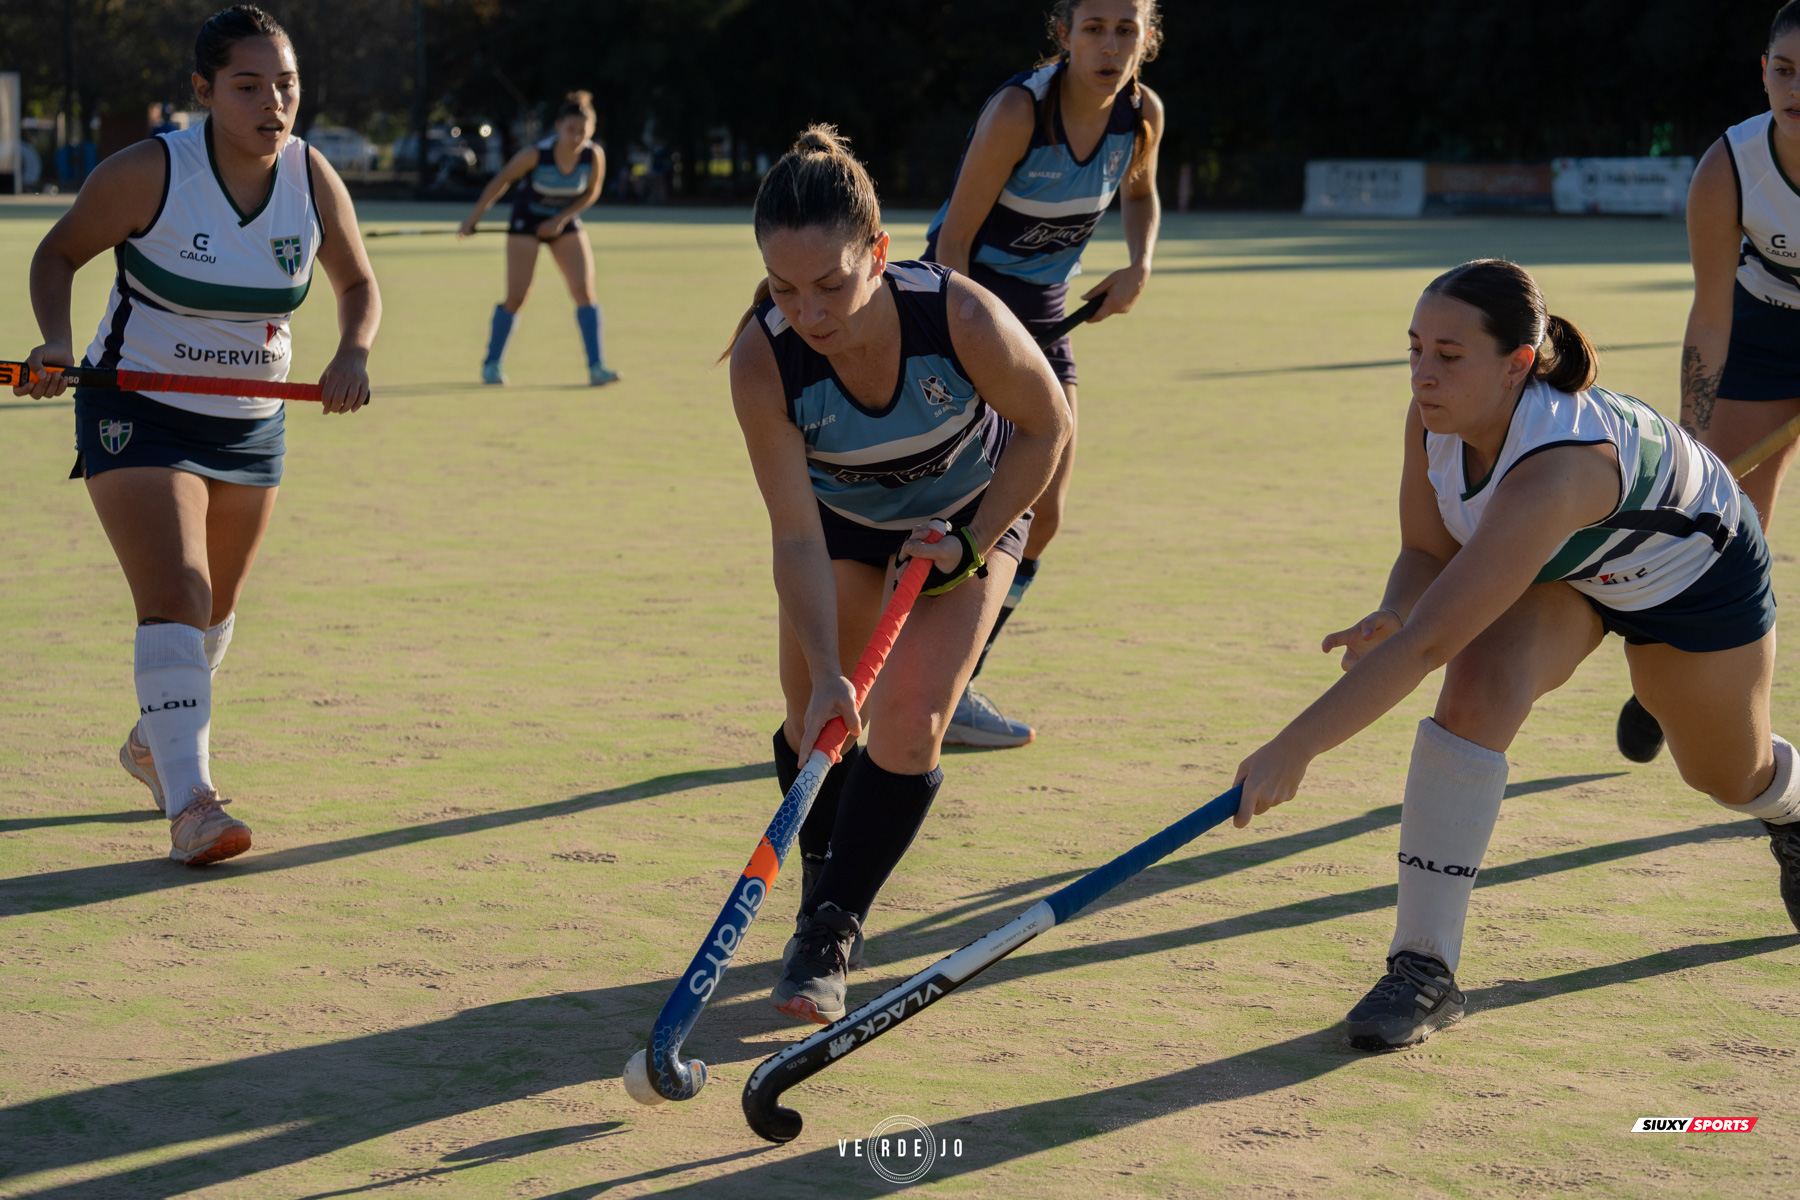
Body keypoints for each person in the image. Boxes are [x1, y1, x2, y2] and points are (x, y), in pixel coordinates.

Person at [1229, 260, 1799, 1052]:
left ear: (1518, 365)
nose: (1425, 374)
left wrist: (1296, 747)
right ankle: (1422, 969)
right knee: (1475, 693)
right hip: (1566, 568)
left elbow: (1432, 639)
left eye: (1450, 356)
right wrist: (1393, 610)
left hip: (1692, 582)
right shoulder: (1434, 416)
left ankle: (1792, 811)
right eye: (1416, 349)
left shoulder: (1559, 467)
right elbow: (1426, 553)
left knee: (1728, 777)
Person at [11, 4, 378, 866]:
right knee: (177, 589)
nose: (272, 103)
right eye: (248, 86)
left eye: (285, 84)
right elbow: (57, 254)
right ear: (204, 91)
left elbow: (358, 283)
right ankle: (194, 804)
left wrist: (352, 351)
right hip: (137, 405)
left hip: (251, 422)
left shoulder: (313, 176)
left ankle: (152, 745)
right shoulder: (148, 172)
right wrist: (57, 343)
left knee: (213, 617)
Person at [728, 126, 1070, 1024]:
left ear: (879, 255)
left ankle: (830, 929)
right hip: (841, 531)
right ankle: (820, 889)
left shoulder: (957, 317)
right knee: (818, 722)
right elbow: (795, 536)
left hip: (967, 518)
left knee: (912, 722)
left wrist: (970, 536)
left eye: (833, 284)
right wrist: (827, 667)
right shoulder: (767, 359)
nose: (811, 311)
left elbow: (1047, 428)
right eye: (785, 288)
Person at [923, 0, 1164, 748]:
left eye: (1126, 28)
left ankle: (953, 684)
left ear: (1146, 39)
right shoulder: (1018, 113)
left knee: (1045, 513)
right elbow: (953, 241)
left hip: (1049, 313)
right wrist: (967, 348)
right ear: (1063, 34)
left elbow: (1142, 194)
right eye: (1094, 27)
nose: (1111, 44)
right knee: (960, 499)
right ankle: (905, 675)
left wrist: (1139, 266)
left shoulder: (1142, 114)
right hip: (968, 301)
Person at [1619, 0, 1800, 763]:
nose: (1797, 90)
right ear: (1764, 74)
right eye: (1785, 71)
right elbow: (1711, 314)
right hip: (1759, 336)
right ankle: (1670, 680)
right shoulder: (1729, 166)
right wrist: (1692, 449)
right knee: (1718, 526)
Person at [459, 91, 617, 386]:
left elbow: (591, 192)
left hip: (564, 220)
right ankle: (492, 364)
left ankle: (597, 367)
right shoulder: (536, 154)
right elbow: (501, 180)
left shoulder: (594, 155)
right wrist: (473, 219)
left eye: (583, 131)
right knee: (518, 296)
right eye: (571, 130)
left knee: (584, 292)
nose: (576, 137)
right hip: (526, 223)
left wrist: (559, 219)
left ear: (592, 130)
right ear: (558, 126)